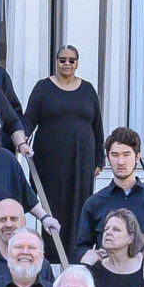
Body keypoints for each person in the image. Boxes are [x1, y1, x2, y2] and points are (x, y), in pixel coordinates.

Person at [24, 44, 103, 224]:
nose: (67, 63)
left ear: (77, 64)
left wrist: (99, 159)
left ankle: (77, 251)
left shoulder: (88, 89)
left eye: (71, 60)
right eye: (62, 60)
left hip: (81, 159)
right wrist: (22, 140)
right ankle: (53, 251)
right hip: (51, 159)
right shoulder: (43, 87)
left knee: (80, 205)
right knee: (52, 205)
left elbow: (97, 125)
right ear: (56, 62)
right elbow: (28, 119)